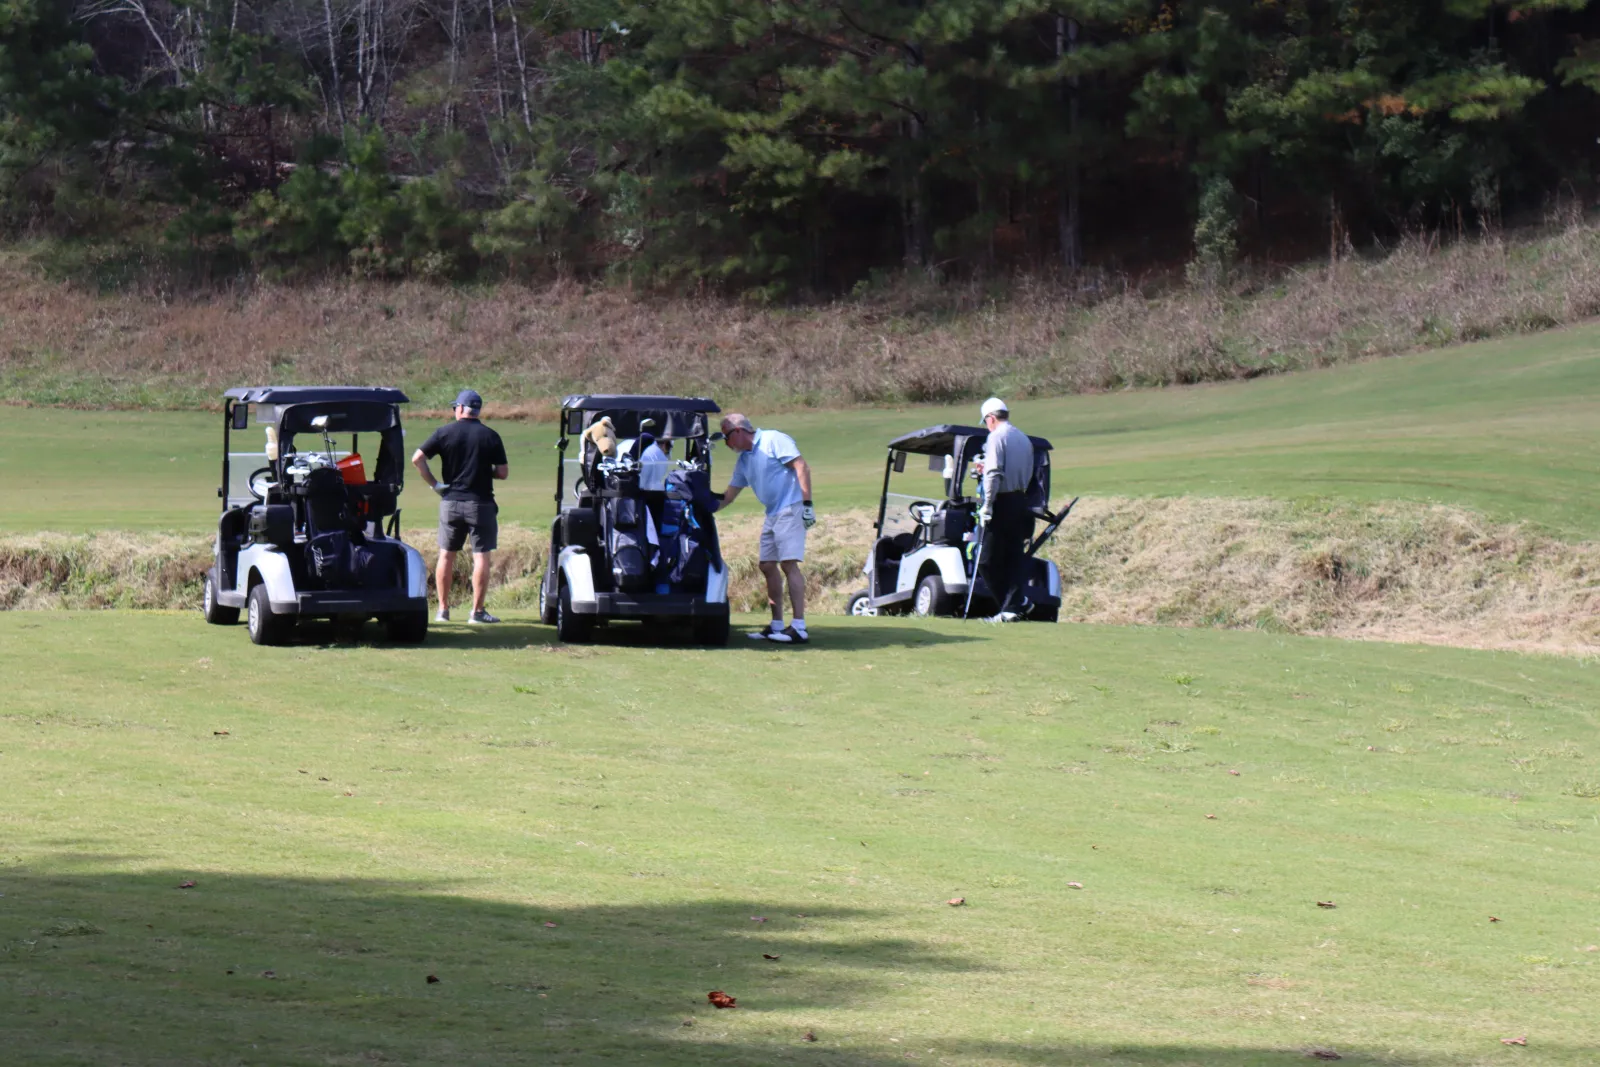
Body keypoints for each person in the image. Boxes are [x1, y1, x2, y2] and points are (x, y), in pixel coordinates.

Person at [715, 413, 815, 644]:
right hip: (772, 513)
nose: (726, 444)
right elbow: (729, 496)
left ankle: (799, 627)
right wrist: (705, 508)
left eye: (726, 437)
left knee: (789, 564)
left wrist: (807, 503)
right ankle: (777, 625)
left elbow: (801, 466)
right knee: (767, 565)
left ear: (738, 431)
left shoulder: (773, 440)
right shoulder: (744, 461)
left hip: (791, 507)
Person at [412, 389, 509, 624]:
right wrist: (486, 471)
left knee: (446, 555)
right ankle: (477, 612)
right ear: (477, 410)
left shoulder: (445, 432)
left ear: (460, 409)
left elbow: (417, 458)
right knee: (481, 557)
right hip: (481, 503)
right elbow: (503, 472)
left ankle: (443, 611)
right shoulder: (490, 435)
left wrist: (435, 484)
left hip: (451, 501)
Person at [976, 397, 1035, 623]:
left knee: (986, 560)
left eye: (986, 421)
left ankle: (1012, 605)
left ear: (991, 418)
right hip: (1020, 500)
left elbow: (993, 474)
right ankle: (1014, 606)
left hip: (1001, 501)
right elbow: (1028, 473)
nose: (986, 425)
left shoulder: (995, 437)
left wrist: (987, 505)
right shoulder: (1024, 439)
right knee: (1013, 557)